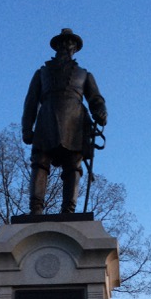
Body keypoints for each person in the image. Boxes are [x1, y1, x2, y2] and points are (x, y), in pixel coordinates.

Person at [22, 28, 107, 214]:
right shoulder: (42, 73)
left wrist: (100, 112)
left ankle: (68, 209)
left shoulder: (84, 74)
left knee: (73, 165)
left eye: (70, 44)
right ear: (57, 47)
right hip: (47, 120)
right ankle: (35, 208)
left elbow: (96, 98)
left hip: (75, 124)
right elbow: (31, 101)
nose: (66, 47)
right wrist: (27, 128)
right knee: (40, 162)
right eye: (63, 43)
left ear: (75, 48)